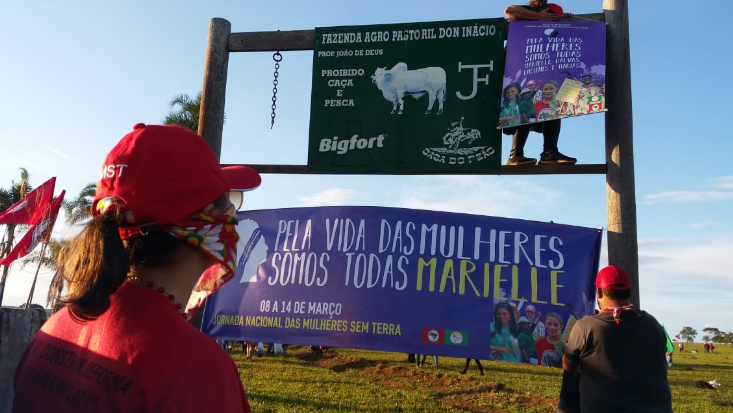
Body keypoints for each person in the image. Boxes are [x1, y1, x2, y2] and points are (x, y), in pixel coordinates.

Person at [12, 123, 261, 412]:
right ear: (207, 219)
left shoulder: (54, 330)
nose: (234, 216)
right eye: (231, 202)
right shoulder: (197, 368)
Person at [563, 265, 672, 413]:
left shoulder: (586, 326)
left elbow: (568, 366)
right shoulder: (652, 324)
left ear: (599, 292)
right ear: (629, 292)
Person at [503, 1, 577, 166]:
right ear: (545, 10)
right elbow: (509, 10)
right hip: (517, 74)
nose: (552, 20)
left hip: (536, 74)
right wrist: (539, 16)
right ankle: (515, 155)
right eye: (552, 16)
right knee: (524, 107)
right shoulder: (530, 13)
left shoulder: (548, 30)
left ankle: (549, 153)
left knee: (552, 108)